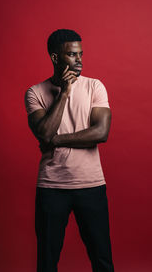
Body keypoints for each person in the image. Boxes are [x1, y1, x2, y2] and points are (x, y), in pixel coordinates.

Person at [24, 29, 115, 272]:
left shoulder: (95, 86)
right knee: (47, 261)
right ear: (55, 58)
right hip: (52, 187)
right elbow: (44, 133)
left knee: (102, 259)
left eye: (81, 54)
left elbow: (100, 133)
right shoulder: (35, 92)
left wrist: (56, 139)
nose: (79, 60)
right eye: (72, 55)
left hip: (91, 184)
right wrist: (64, 93)